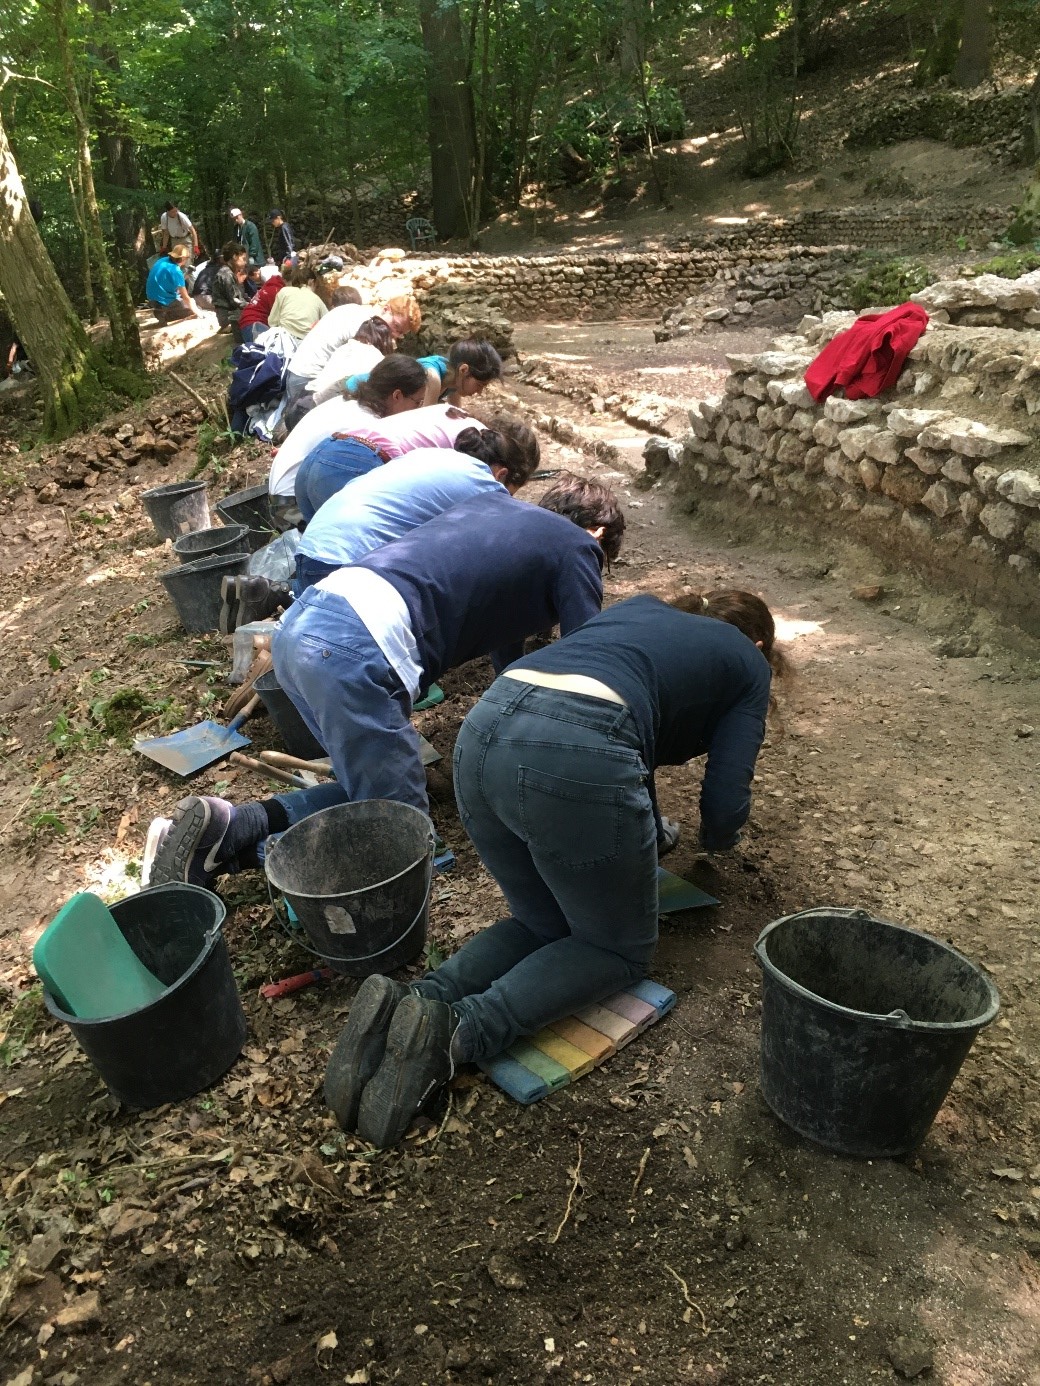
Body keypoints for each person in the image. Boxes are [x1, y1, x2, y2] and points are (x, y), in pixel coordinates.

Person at [326, 587, 787, 1147]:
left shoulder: (641, 613)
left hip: (485, 730)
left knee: (541, 925)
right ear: (759, 642)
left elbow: (627, 740)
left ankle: (420, 1002)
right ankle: (457, 1035)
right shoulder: (745, 663)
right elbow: (722, 798)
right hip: (573, 756)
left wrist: (644, 832)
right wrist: (719, 842)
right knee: (614, 948)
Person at [147, 477, 625, 898]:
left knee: (368, 795)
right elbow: (590, 660)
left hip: (306, 627)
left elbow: (508, 647)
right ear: (599, 533)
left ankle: (227, 831)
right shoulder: (576, 546)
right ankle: (258, 856)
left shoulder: (496, 514)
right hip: (355, 647)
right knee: (402, 840)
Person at [296, 426, 541, 590]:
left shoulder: (429, 456)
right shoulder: (483, 481)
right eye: (510, 493)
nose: (504, 498)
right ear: (502, 474)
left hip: (311, 551)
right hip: (346, 560)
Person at [294, 400, 533, 523]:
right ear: (502, 473)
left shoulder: (466, 429)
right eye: (506, 492)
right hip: (359, 461)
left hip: (325, 454)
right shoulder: (473, 454)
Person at [266, 354, 428, 528]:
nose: (417, 409)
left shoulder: (346, 403)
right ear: (397, 396)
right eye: (417, 402)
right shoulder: (367, 424)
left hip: (283, 495)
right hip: (293, 505)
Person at [283, 295, 421, 405]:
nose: (395, 334)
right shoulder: (366, 325)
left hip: (298, 369)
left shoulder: (357, 311)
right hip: (310, 377)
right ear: (386, 309)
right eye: (396, 326)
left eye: (401, 333)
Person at [419, 339, 503, 406]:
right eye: (479, 385)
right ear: (464, 370)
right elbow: (426, 421)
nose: (479, 392)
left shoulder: (456, 380)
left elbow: (457, 411)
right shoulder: (433, 377)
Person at [267, 263, 328, 343]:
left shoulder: (284, 292)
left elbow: (272, 321)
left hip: (283, 340)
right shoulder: (317, 300)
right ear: (311, 282)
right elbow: (328, 323)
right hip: (306, 342)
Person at [145, 244, 199, 324]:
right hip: (163, 299)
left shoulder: (162, 260)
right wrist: (198, 312)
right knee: (190, 308)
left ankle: (161, 310)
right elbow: (186, 297)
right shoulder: (176, 271)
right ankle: (165, 315)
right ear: (183, 258)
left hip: (151, 296)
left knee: (183, 300)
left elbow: (173, 283)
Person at [212, 242, 250, 342]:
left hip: (229, 312)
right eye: (243, 258)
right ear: (234, 256)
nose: (245, 262)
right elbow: (235, 300)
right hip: (228, 315)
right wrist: (252, 305)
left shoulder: (228, 272)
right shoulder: (226, 274)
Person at [237, 268, 285, 344]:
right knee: (269, 350)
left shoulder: (270, 285)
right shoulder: (277, 291)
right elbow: (279, 319)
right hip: (254, 324)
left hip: (249, 321)